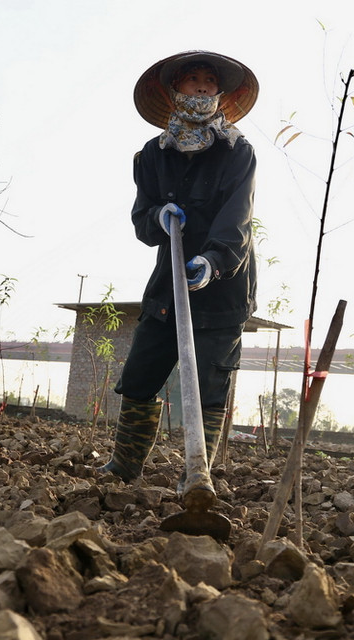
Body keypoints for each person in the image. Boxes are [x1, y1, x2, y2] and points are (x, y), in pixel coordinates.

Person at [99, 51, 259, 490]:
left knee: (208, 386)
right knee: (140, 376)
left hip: (222, 284)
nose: (204, 86)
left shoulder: (237, 151)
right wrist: (157, 217)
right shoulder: (153, 155)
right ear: (175, 91)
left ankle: (197, 473)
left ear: (221, 93)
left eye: (211, 80)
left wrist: (213, 260)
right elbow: (142, 221)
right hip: (169, 286)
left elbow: (237, 218)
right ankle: (124, 466)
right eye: (193, 79)